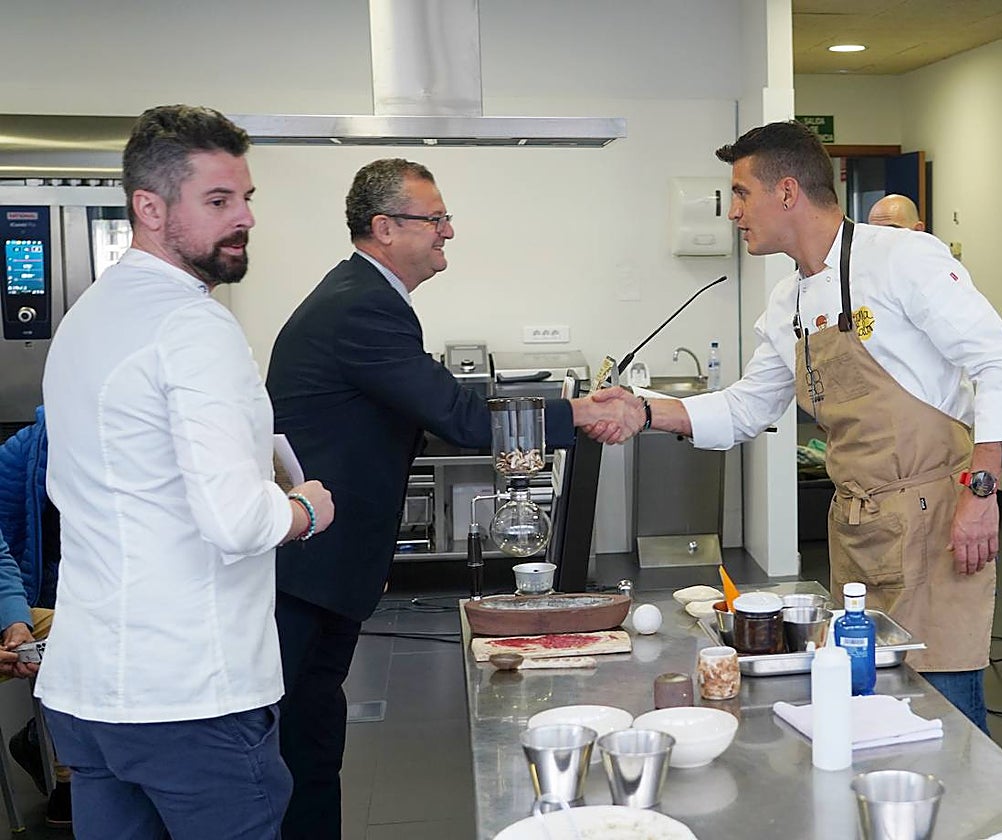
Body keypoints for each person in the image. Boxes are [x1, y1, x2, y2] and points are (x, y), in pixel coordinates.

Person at [593, 121, 1002, 731]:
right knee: (866, 705)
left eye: (742, 193)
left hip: (937, 521)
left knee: (943, 716)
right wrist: (640, 410)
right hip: (857, 529)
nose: (735, 213)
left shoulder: (903, 258)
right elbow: (746, 408)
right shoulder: (788, 301)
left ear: (787, 192)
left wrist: (982, 494)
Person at [265, 158, 641, 838]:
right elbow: (461, 418)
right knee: (299, 740)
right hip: (310, 565)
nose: (450, 232)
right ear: (384, 228)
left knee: (312, 733)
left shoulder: (366, 298)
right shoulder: (362, 305)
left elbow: (440, 407)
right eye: (434, 219)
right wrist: (581, 410)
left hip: (324, 559)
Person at [37, 104, 335, 840]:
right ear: (149, 207)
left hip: (88, 696)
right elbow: (235, 519)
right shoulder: (194, 327)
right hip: (193, 699)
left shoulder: (87, 317)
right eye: (218, 201)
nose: (245, 219)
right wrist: (303, 509)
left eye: (246, 198)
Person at [0, 407, 71, 827]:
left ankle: (70, 774)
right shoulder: (20, 454)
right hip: (53, 575)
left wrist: (16, 620)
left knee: (73, 636)